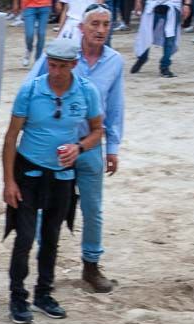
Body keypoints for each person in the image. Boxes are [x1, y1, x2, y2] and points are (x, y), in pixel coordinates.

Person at [2, 38, 104, 324]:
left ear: (74, 65)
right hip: (29, 173)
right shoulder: (31, 90)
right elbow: (11, 138)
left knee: (51, 238)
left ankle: (44, 293)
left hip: (62, 176)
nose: (55, 71)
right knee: (23, 238)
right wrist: (9, 181)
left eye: (62, 66)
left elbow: (98, 130)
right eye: (52, 64)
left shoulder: (86, 92)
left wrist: (79, 148)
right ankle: (17, 297)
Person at [29, 3, 124, 293]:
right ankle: (47, 268)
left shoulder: (115, 61)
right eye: (94, 24)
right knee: (50, 207)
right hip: (57, 146)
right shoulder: (64, 56)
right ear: (81, 28)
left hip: (91, 144)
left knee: (93, 209)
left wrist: (113, 146)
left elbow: (116, 105)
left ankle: (91, 267)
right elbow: (31, 86)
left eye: (106, 24)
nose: (100, 30)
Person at [131, 0, 190, 76]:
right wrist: (138, 1)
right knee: (146, 34)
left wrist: (187, 4)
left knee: (170, 38)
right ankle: (142, 58)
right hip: (153, 4)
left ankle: (164, 67)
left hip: (173, 4)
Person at [21, 0, 54, 66]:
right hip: (28, 5)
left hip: (45, 5)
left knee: (41, 34)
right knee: (29, 34)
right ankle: (29, 50)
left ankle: (38, 59)